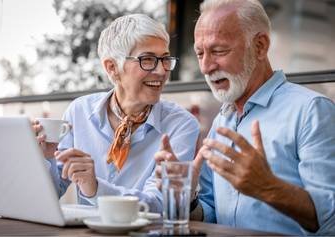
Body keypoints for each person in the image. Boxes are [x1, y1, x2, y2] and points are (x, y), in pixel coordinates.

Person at [155, 0, 335, 235]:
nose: (207, 66)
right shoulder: (223, 119)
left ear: (260, 46)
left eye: (219, 51)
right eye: (200, 53)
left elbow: (330, 222)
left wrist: (268, 188)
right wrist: (187, 198)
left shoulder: (312, 110)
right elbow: (211, 213)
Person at [33, 14, 199, 213]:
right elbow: (49, 196)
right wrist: (44, 160)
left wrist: (95, 188)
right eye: (147, 60)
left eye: (165, 59)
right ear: (112, 68)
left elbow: (159, 206)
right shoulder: (79, 111)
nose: (162, 71)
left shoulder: (181, 125)